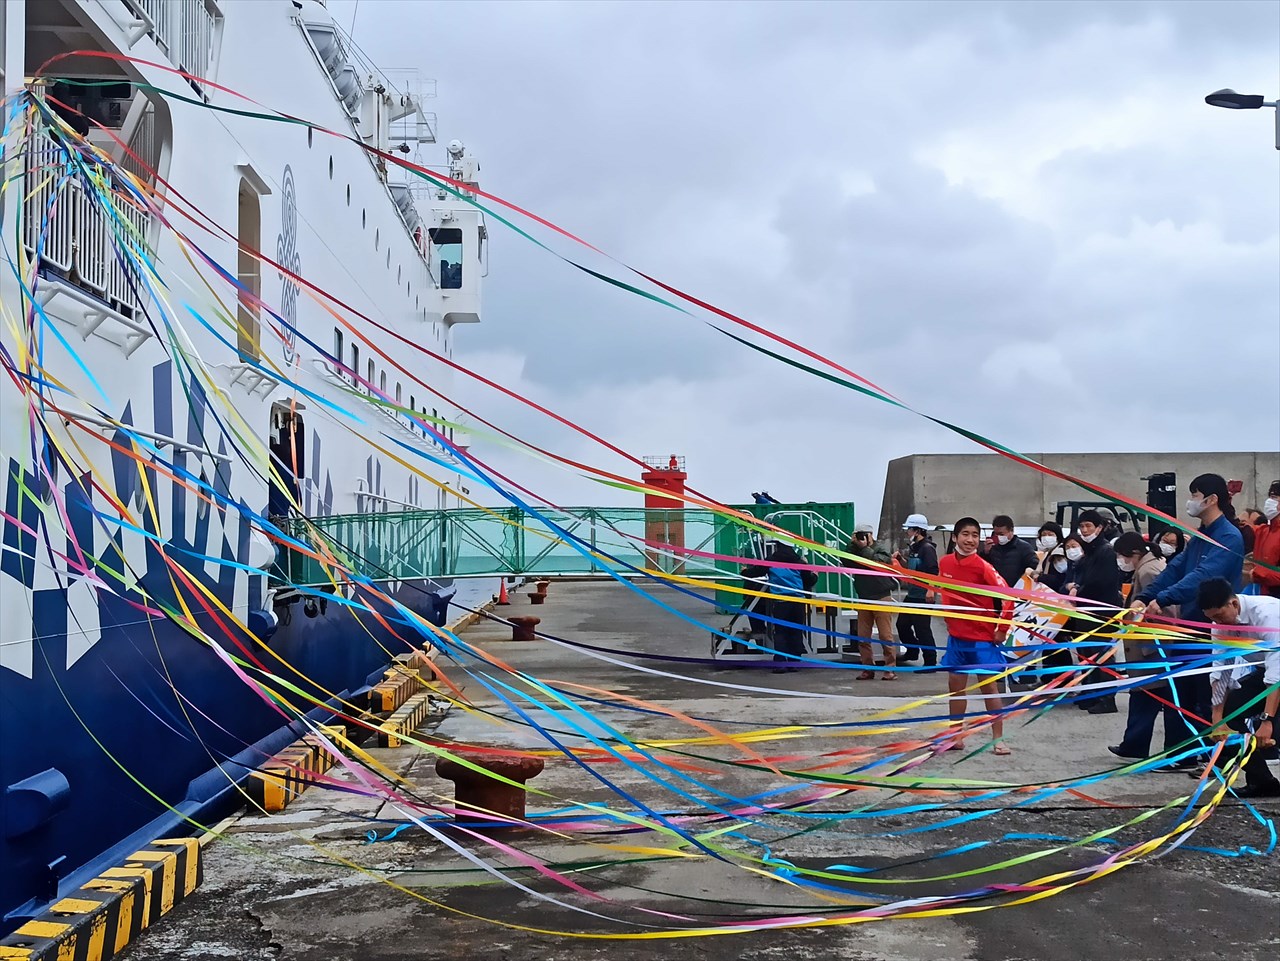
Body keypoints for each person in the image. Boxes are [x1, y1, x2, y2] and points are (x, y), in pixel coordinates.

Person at [1130, 474, 1245, 755]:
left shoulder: (1228, 537)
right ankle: (1179, 752)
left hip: (1213, 628)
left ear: (1211, 499)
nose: (1190, 501)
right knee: (1179, 690)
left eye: (1194, 495)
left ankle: (1209, 754)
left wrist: (1163, 599)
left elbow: (1202, 576)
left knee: (1207, 693)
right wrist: (1145, 597)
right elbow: (1175, 569)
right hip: (1187, 625)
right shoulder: (1200, 537)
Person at [937, 517, 1014, 755]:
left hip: (981, 639)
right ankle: (955, 737)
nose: (970, 540)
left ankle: (998, 740)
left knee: (989, 688)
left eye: (975, 535)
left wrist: (1002, 629)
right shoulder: (945, 562)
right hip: (956, 638)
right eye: (965, 534)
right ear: (955, 537)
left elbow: (1008, 597)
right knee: (955, 688)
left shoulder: (983, 566)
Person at [1198, 577, 1280, 798]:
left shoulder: (1266, 614)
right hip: (1266, 671)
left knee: (1273, 726)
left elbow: (1276, 670)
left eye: (1219, 616)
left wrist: (1267, 720)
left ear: (1233, 603)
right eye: (1211, 618)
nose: (1217, 622)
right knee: (1228, 715)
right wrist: (1217, 719)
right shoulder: (1219, 625)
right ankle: (1263, 782)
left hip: (1276, 669)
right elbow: (1221, 668)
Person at [1065, 511, 1125, 713]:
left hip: (1101, 611)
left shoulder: (1105, 551)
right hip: (1086, 611)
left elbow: (1101, 582)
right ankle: (1093, 694)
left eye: (1088, 526)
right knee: (1088, 654)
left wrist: (1079, 590)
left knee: (1102, 655)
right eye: (1082, 526)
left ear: (1099, 527)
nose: (1084, 530)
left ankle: (1107, 698)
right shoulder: (1090, 551)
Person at [742, 540, 817, 673]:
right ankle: (794, 662)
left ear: (778, 546)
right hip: (798, 602)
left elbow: (755, 572)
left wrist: (744, 571)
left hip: (781, 602)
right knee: (796, 631)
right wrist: (815, 574)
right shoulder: (799, 562)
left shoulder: (771, 561)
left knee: (780, 632)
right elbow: (809, 580)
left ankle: (780, 663)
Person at [845, 524, 897, 680]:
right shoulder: (855, 550)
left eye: (863, 534)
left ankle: (890, 668)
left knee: (885, 636)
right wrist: (852, 545)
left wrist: (865, 548)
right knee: (862, 637)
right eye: (858, 535)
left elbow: (878, 562)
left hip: (881, 596)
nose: (861, 538)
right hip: (864, 597)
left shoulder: (880, 548)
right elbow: (845, 560)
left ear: (870, 534)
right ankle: (867, 668)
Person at [893, 513, 939, 667]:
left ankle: (930, 661)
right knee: (902, 625)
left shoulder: (927, 548)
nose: (907, 532)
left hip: (923, 596)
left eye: (909, 529)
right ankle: (912, 651)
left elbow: (933, 571)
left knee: (922, 629)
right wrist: (901, 560)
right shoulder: (915, 547)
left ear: (917, 531)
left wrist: (930, 590)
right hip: (913, 594)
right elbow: (913, 569)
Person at [987, 514, 1037, 589]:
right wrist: (986, 552)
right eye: (996, 534)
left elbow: (1034, 567)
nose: (998, 537)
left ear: (1011, 531)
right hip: (995, 590)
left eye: (1001, 534)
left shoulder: (1024, 548)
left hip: (1016, 590)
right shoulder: (992, 547)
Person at [1252, 480, 1280, 599]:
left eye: (1274, 497)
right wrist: (1226, 499)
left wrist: (1258, 574)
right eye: (1270, 497)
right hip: (1262, 595)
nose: (1269, 501)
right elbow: (1238, 528)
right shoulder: (1263, 530)